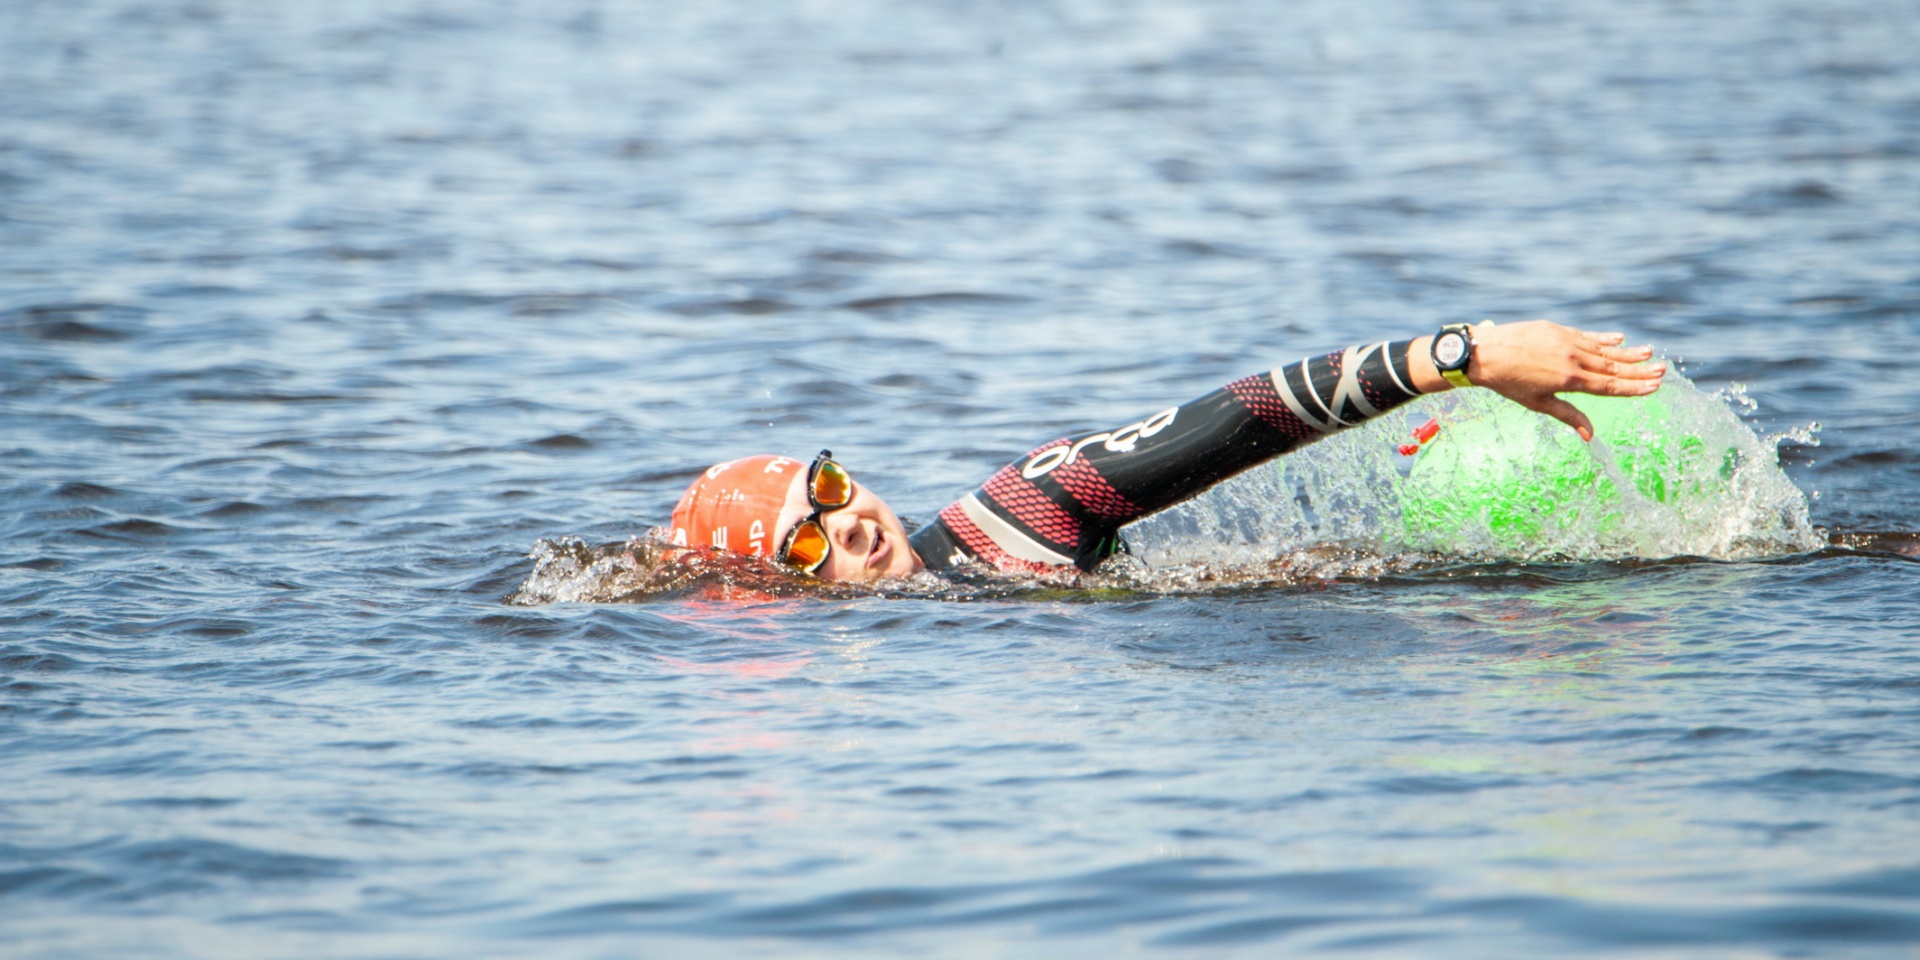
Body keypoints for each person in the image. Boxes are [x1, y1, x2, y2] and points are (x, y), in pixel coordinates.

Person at [665, 320, 1666, 582]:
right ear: (776, 590)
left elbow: (1228, 420)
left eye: (830, 489)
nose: (850, 530)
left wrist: (1457, 355)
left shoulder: (1023, 510)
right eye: (806, 544)